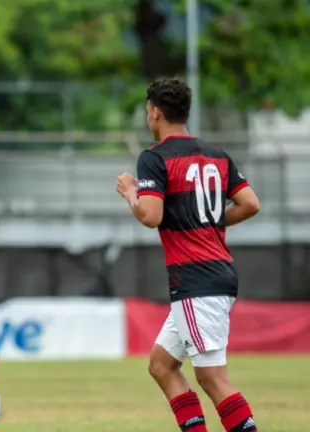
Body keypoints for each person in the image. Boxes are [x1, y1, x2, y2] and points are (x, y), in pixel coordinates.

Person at [115, 77, 260, 432]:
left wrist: (130, 193)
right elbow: (250, 203)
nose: (148, 117)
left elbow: (151, 216)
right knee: (161, 365)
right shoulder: (215, 154)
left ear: (157, 113)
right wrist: (207, 221)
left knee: (212, 378)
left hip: (196, 281)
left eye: (148, 111)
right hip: (216, 275)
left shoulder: (155, 158)